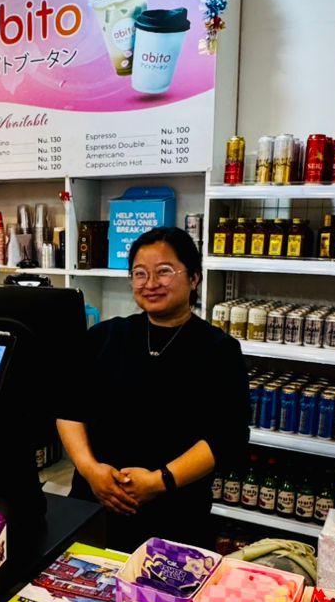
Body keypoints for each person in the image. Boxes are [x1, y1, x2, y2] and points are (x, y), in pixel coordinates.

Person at [57, 225, 250, 552]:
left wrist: (160, 481)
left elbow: (226, 437)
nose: (150, 283)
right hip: (94, 505)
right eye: (139, 273)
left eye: (164, 271)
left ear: (194, 278)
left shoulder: (219, 350)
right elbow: (68, 407)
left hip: (175, 513)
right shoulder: (105, 337)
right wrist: (90, 470)